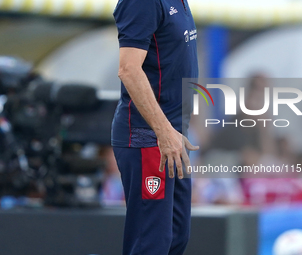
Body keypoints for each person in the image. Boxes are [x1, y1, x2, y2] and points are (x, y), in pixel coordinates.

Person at [111, 0, 199, 254]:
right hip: (148, 138)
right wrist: (163, 132)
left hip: (173, 137)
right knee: (151, 244)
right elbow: (128, 69)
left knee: (175, 238)